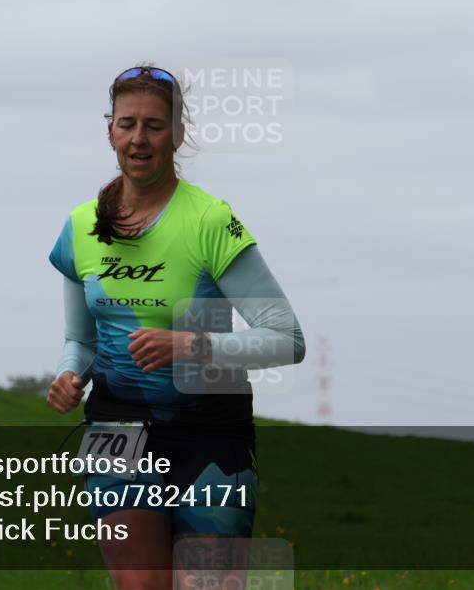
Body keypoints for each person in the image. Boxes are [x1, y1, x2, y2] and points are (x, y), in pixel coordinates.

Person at [45, 64, 305, 590]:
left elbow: (288, 339)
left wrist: (192, 345)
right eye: (127, 124)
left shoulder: (210, 220)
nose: (139, 138)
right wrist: (70, 375)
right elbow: (81, 340)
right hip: (117, 429)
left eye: (154, 125)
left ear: (178, 134)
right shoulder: (81, 226)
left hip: (210, 432)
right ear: (110, 131)